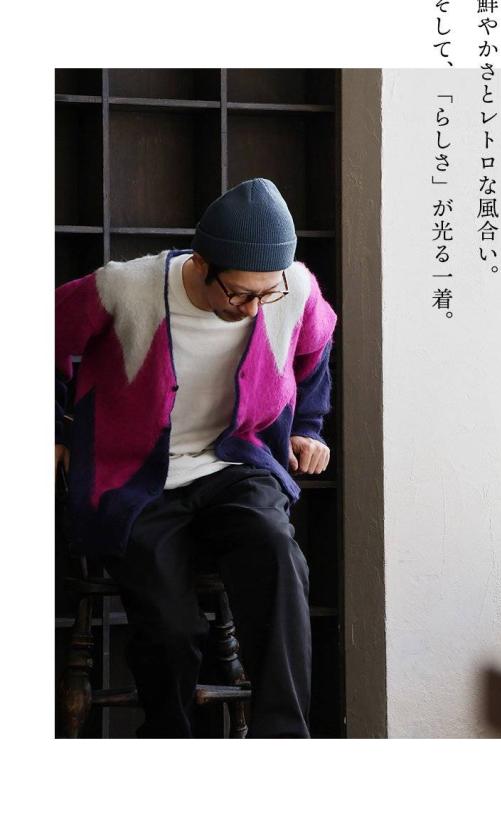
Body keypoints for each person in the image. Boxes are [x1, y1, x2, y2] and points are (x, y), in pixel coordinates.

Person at [55, 177, 338, 738]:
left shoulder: (295, 290)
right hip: (137, 474)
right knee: (170, 624)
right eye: (238, 295)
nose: (253, 309)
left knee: (279, 556)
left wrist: (308, 428)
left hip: (237, 464)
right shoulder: (127, 287)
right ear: (200, 264)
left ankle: (284, 742)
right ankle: (172, 744)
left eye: (267, 294)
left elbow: (316, 350)